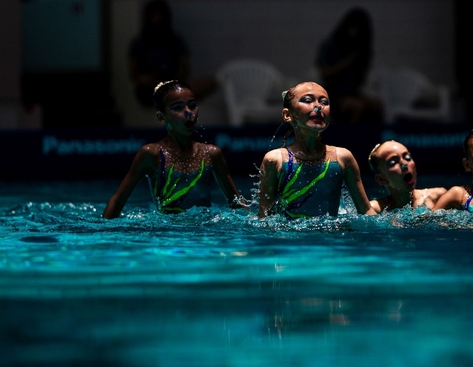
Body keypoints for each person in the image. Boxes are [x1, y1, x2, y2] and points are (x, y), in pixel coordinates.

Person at [103, 80, 245, 219]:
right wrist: (102, 232)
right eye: (178, 108)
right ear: (161, 118)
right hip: (167, 232)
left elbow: (236, 202)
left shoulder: (212, 154)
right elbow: (118, 200)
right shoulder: (152, 154)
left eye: (192, 105)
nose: (189, 113)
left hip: (204, 231)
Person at [258, 81, 376, 219]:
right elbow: (265, 218)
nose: (318, 107)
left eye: (324, 102)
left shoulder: (343, 158)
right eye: (307, 100)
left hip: (333, 233)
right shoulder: (275, 160)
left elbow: (366, 211)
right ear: (287, 115)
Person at [128, 0, 215, 108]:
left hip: (172, 86)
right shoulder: (139, 43)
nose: (157, 20)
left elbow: (184, 67)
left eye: (160, 16)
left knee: (207, 84)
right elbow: (134, 72)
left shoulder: (176, 42)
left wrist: (171, 80)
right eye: (154, 16)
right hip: (148, 89)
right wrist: (148, 79)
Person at [315, 8, 382, 124]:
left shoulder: (360, 47)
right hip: (332, 95)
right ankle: (348, 135)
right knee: (356, 107)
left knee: (377, 106)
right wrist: (348, 61)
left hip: (353, 93)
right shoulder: (331, 45)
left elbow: (362, 79)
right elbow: (325, 72)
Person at [368, 140, 447, 213]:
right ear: (381, 179)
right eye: (393, 162)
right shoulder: (375, 209)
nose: (404, 164)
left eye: (407, 157)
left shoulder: (438, 196)